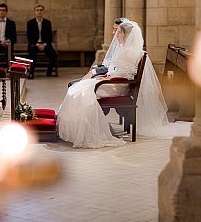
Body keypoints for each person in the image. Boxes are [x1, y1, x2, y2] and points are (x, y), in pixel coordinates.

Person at [57, 21, 190, 149]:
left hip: (118, 86)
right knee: (79, 88)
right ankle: (82, 129)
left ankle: (89, 132)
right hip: (113, 82)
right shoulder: (126, 49)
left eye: (119, 32)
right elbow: (117, 70)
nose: (116, 35)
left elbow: (125, 75)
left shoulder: (129, 51)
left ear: (126, 35)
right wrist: (106, 76)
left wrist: (106, 78)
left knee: (84, 91)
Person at [67, 17, 129, 87]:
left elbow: (122, 71)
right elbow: (109, 65)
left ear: (125, 32)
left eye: (116, 30)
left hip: (114, 82)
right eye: (113, 29)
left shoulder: (128, 50)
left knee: (77, 87)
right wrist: (96, 70)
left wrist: (99, 75)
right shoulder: (118, 46)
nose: (113, 32)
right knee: (74, 85)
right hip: (108, 77)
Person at [26, 4, 57, 79]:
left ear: (43, 11)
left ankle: (49, 71)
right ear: (35, 12)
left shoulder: (47, 23)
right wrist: (37, 44)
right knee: (32, 52)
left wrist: (44, 44)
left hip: (45, 44)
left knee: (53, 54)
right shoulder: (30, 23)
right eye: (37, 10)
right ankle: (31, 73)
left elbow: (50, 37)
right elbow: (29, 37)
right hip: (34, 44)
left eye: (41, 10)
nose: (39, 12)